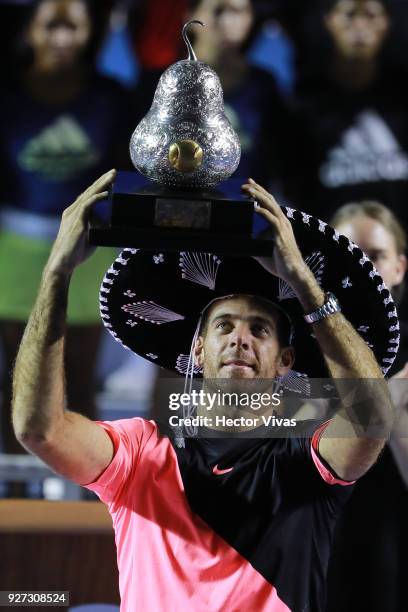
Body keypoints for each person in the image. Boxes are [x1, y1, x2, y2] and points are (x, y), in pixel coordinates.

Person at [11, 169, 398, 611]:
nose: (240, 338)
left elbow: (373, 420)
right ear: (197, 350)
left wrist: (306, 287)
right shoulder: (141, 454)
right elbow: (39, 430)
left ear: (285, 362)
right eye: (224, 326)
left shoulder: (304, 461)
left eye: (259, 329)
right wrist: (56, 275)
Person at [0, 0, 134, 461]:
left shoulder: (111, 96)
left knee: (78, 381)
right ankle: (18, 498)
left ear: (89, 31)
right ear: (29, 30)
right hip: (14, 250)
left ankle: (89, 495)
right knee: (19, 382)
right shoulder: (7, 94)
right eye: (51, 25)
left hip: (88, 250)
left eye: (73, 26)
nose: (62, 37)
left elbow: (124, 174)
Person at [325, 201, 408, 612]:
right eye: (349, 251)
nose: (363, 266)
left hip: (392, 529)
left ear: (399, 268)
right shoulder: (296, 345)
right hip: (315, 532)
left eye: (376, 255)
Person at [278, 0, 408, 229]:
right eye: (348, 14)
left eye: (371, 15)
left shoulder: (401, 100)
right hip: (330, 252)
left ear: (387, 23)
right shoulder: (303, 107)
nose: (359, 25)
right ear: (329, 20)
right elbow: (294, 193)